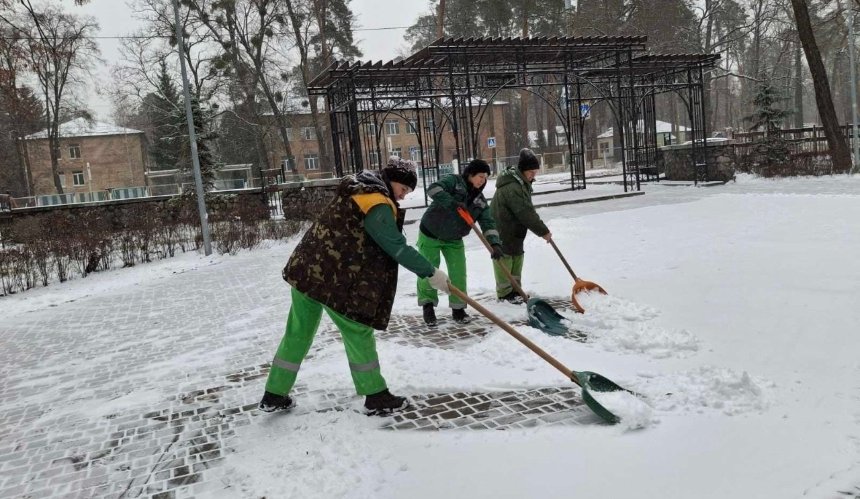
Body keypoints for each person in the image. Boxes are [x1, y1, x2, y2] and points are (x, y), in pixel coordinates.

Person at [259, 157, 450, 415]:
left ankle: (274, 393)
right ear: (392, 181)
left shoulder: (360, 189)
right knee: (357, 329)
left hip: (307, 270)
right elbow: (396, 247)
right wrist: (431, 273)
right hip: (332, 279)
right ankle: (375, 395)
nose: (403, 197)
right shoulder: (376, 202)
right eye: (403, 190)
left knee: (298, 333)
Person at [416, 159, 502, 326]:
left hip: (454, 239)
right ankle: (428, 306)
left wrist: (495, 243)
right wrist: (452, 202)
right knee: (428, 270)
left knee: (458, 273)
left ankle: (458, 309)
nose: (482, 181)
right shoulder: (454, 182)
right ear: (470, 175)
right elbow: (433, 189)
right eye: (480, 176)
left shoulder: (479, 200)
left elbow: (488, 223)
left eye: (485, 178)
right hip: (431, 232)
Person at [489, 148, 552, 304]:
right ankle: (504, 293)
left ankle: (515, 289)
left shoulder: (521, 182)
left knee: (517, 256)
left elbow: (526, 211)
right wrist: (543, 231)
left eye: (535, 172)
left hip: (514, 228)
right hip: (503, 227)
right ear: (522, 170)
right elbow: (525, 212)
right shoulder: (513, 187)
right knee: (506, 257)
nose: (533, 176)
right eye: (531, 172)